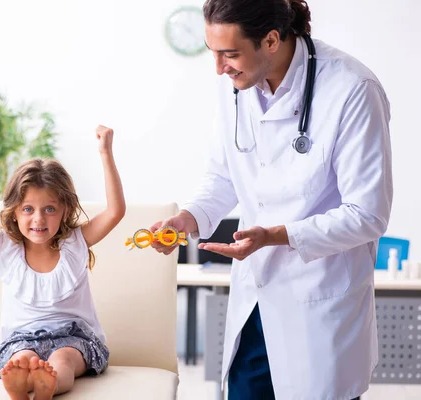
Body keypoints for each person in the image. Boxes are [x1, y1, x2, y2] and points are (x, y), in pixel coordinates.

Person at [151, 0, 392, 399]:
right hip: (255, 302)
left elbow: (367, 213)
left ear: (271, 40)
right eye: (214, 53)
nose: (219, 68)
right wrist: (187, 219)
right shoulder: (236, 86)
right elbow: (222, 176)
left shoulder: (352, 89)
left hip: (320, 300)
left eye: (230, 54)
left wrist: (276, 235)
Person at [0, 125, 125, 400]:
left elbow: (115, 211)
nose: (39, 219)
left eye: (49, 209)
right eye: (28, 209)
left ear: (65, 209)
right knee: (23, 358)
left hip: (74, 338)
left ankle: (47, 386)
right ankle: (23, 385)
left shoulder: (75, 244)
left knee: (62, 361)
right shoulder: (7, 247)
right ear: (14, 212)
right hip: (21, 338)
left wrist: (105, 153)